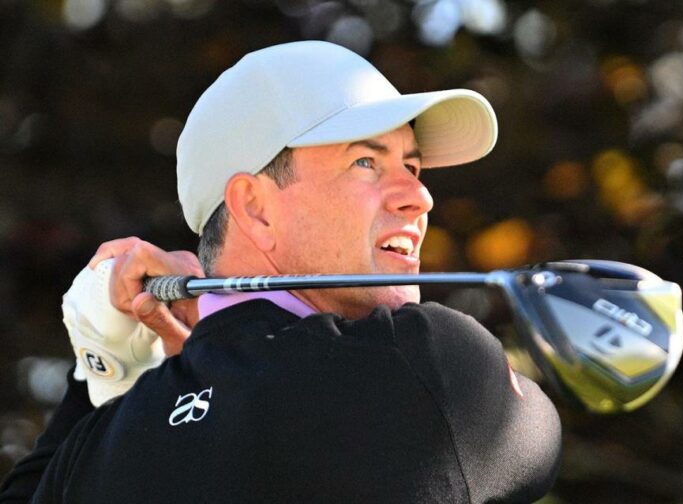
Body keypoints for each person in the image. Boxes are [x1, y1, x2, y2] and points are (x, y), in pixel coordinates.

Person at [0, 40, 561, 503]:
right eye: (366, 161)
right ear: (255, 208)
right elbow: (539, 437)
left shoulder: (104, 447)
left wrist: (104, 368)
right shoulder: (423, 363)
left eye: (411, 166)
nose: (419, 196)